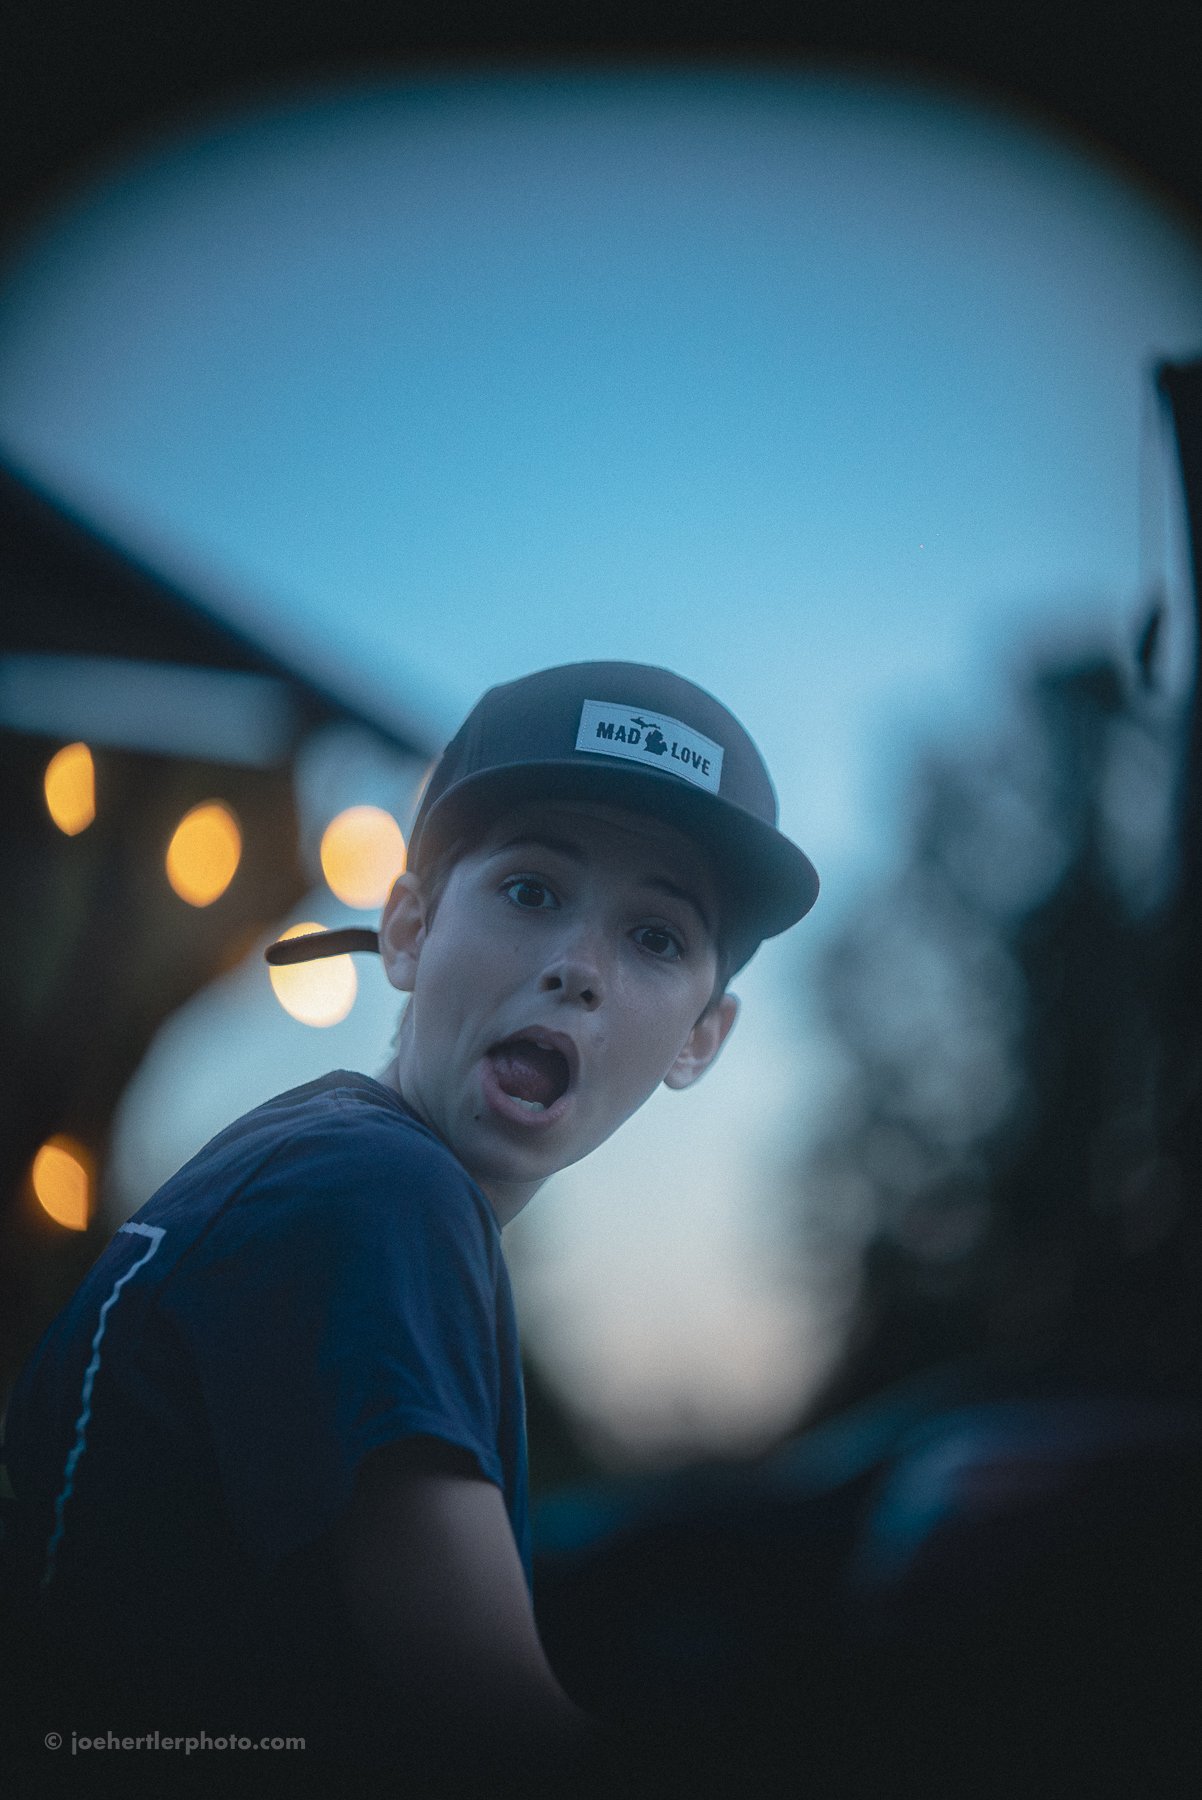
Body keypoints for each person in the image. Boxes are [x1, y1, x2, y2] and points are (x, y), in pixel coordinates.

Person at [2, 661, 818, 1795]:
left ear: (698, 1038)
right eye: (532, 891)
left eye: (655, 937)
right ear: (406, 930)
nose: (577, 968)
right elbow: (490, 1741)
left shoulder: (310, 1160)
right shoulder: (380, 1194)